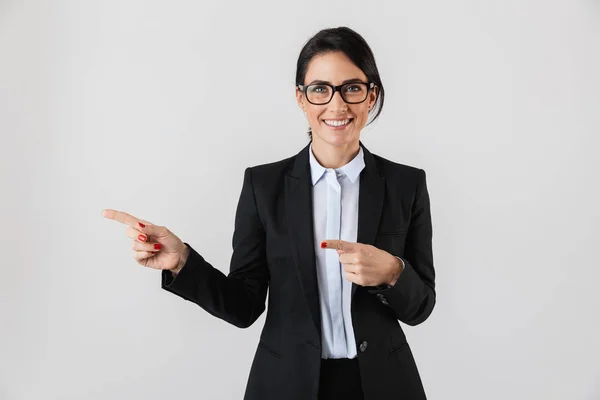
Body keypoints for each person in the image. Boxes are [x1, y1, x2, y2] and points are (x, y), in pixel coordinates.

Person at [103, 26, 435, 400]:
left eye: (352, 88)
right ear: (301, 98)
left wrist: (393, 272)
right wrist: (181, 261)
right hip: (286, 384)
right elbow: (243, 305)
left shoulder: (406, 184)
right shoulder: (264, 186)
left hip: (383, 385)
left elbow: (421, 306)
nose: (337, 105)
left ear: (371, 96)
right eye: (320, 89)